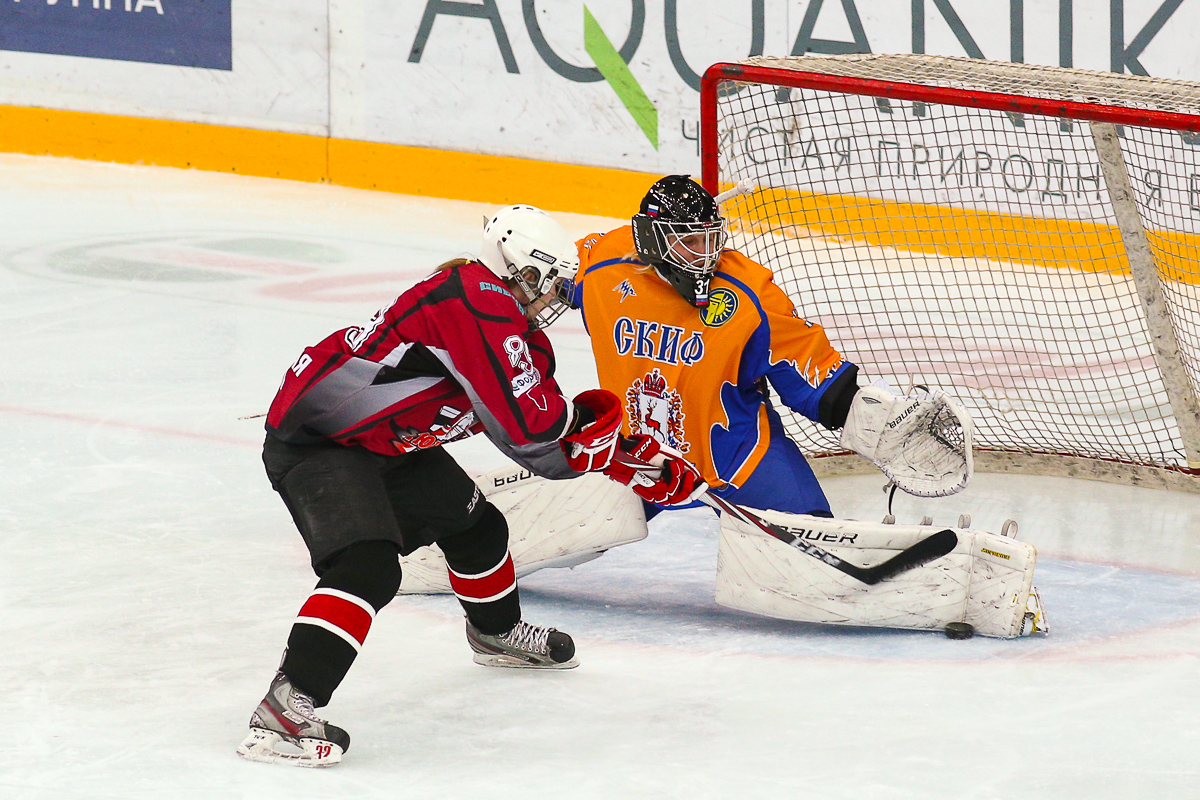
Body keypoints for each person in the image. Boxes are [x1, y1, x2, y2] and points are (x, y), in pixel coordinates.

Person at [237, 204, 692, 768]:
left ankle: (495, 634)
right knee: (367, 568)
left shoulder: (509, 327)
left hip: (385, 443)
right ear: (519, 269)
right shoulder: (476, 301)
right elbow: (534, 426)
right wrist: (609, 446)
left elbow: (536, 445)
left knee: (477, 528)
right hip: (318, 441)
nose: (554, 299)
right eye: (548, 283)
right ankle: (284, 710)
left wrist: (626, 461)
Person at [573, 175, 862, 519]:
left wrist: (871, 416)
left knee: (811, 534)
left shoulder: (749, 293)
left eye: (710, 239)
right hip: (635, 459)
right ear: (652, 240)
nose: (705, 256)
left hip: (738, 459)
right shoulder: (602, 266)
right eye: (690, 242)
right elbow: (540, 283)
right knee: (561, 526)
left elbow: (818, 383)